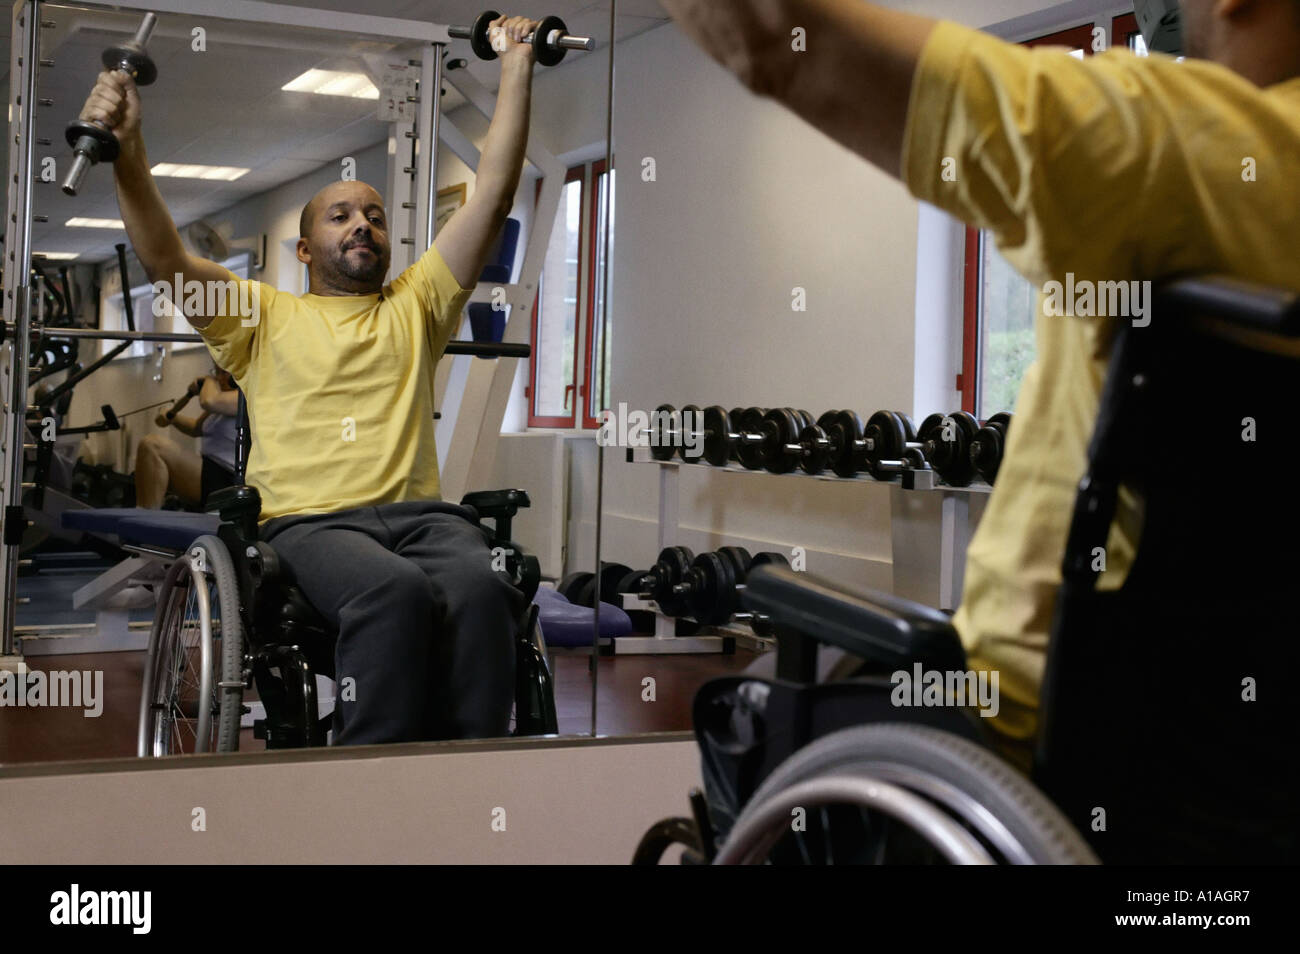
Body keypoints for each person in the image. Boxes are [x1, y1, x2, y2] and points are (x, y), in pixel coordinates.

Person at [658, 0, 1300, 768]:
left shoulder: (1185, 149)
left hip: (1022, 740)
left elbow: (772, 35)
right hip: (1241, 769)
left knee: (757, 698)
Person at [82, 14, 543, 744]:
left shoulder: (418, 305)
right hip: (310, 525)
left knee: (487, 588)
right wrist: (128, 149)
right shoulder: (259, 316)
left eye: (375, 216)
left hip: (423, 518)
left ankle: (469, 773)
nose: (362, 224)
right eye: (340, 216)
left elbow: (492, 194)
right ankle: (368, 788)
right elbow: (166, 256)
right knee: (392, 594)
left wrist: (515, 64)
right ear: (304, 248)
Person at [134, 364, 239, 510]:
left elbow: (209, 401)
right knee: (149, 449)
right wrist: (172, 417)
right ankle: (144, 519)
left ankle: (145, 522)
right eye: (216, 372)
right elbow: (197, 428)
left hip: (227, 479)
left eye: (223, 372)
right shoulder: (223, 399)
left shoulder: (245, 396)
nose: (219, 378)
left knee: (152, 446)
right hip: (210, 471)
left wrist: (208, 380)